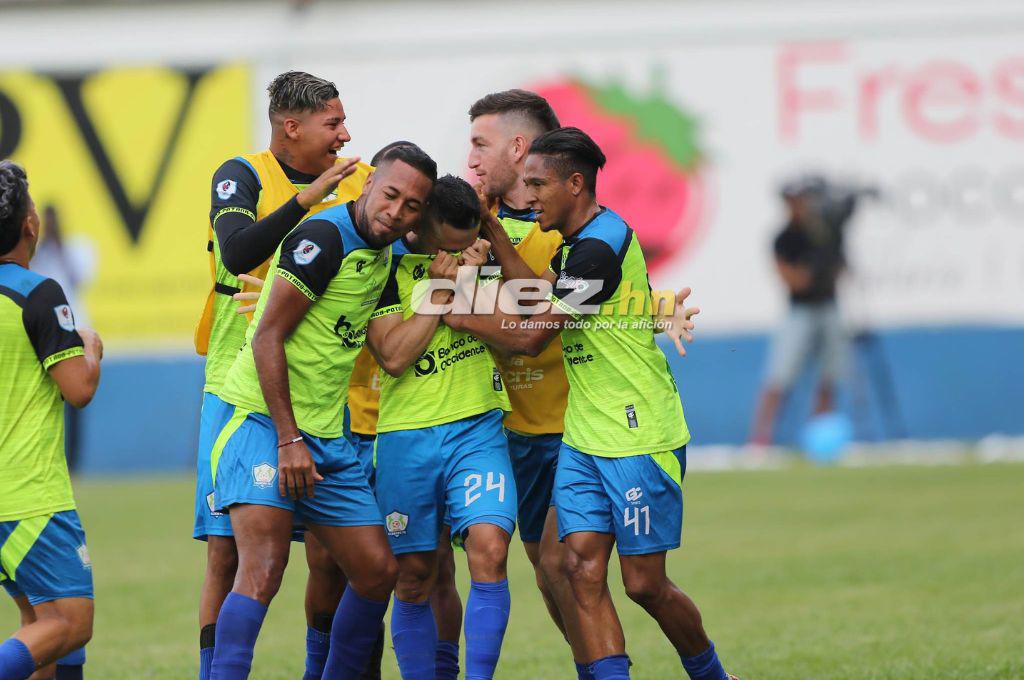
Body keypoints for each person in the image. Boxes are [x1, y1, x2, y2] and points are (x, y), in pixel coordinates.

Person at [445, 128, 734, 680]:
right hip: (584, 434)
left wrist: (453, 313)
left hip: (637, 432)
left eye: (537, 184)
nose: (527, 198)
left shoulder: (599, 249)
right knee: (577, 567)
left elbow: (533, 335)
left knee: (644, 584)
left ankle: (712, 674)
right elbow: (533, 290)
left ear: (574, 184)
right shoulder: (579, 243)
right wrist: (489, 229)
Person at [207, 144, 437, 679]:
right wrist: (289, 439)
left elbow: (395, 355)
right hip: (263, 424)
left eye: (411, 206)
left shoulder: (380, 259)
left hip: (325, 437)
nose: (396, 211)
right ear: (371, 184)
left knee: (378, 572)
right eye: (391, 195)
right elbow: (267, 337)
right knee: (262, 570)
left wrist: (446, 292)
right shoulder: (324, 237)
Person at [191, 70, 369, 680]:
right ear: (291, 127)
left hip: (324, 392)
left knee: (330, 553)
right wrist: (308, 197)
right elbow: (237, 251)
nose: (345, 136)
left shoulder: (361, 183)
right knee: (228, 553)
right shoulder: (240, 174)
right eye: (333, 123)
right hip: (234, 387)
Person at [366, 175, 516, 680]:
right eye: (453, 246)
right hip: (407, 437)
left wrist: (469, 280)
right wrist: (440, 288)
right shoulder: (384, 268)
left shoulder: (484, 260)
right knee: (415, 576)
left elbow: (510, 335)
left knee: (491, 550)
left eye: (471, 241)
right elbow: (394, 357)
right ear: (424, 224)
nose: (466, 251)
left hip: (478, 429)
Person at [466, 89, 584, 661]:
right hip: (511, 430)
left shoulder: (565, 227)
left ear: (518, 146)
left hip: (576, 425)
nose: (471, 159)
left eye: (479, 144)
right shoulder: (467, 224)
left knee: (572, 566)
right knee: (548, 573)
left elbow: (536, 321)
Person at [0, 161, 103, 680]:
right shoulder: (37, 293)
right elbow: (79, 390)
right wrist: (91, 348)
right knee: (69, 622)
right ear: (29, 225)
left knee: (39, 620)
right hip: (29, 497)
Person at [750, 177, 855, 446]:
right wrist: (816, 268)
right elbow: (795, 281)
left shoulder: (825, 233)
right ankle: (760, 439)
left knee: (829, 375)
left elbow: (841, 271)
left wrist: (825, 262)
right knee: (779, 375)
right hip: (799, 311)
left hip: (829, 308)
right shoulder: (785, 239)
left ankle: (820, 434)